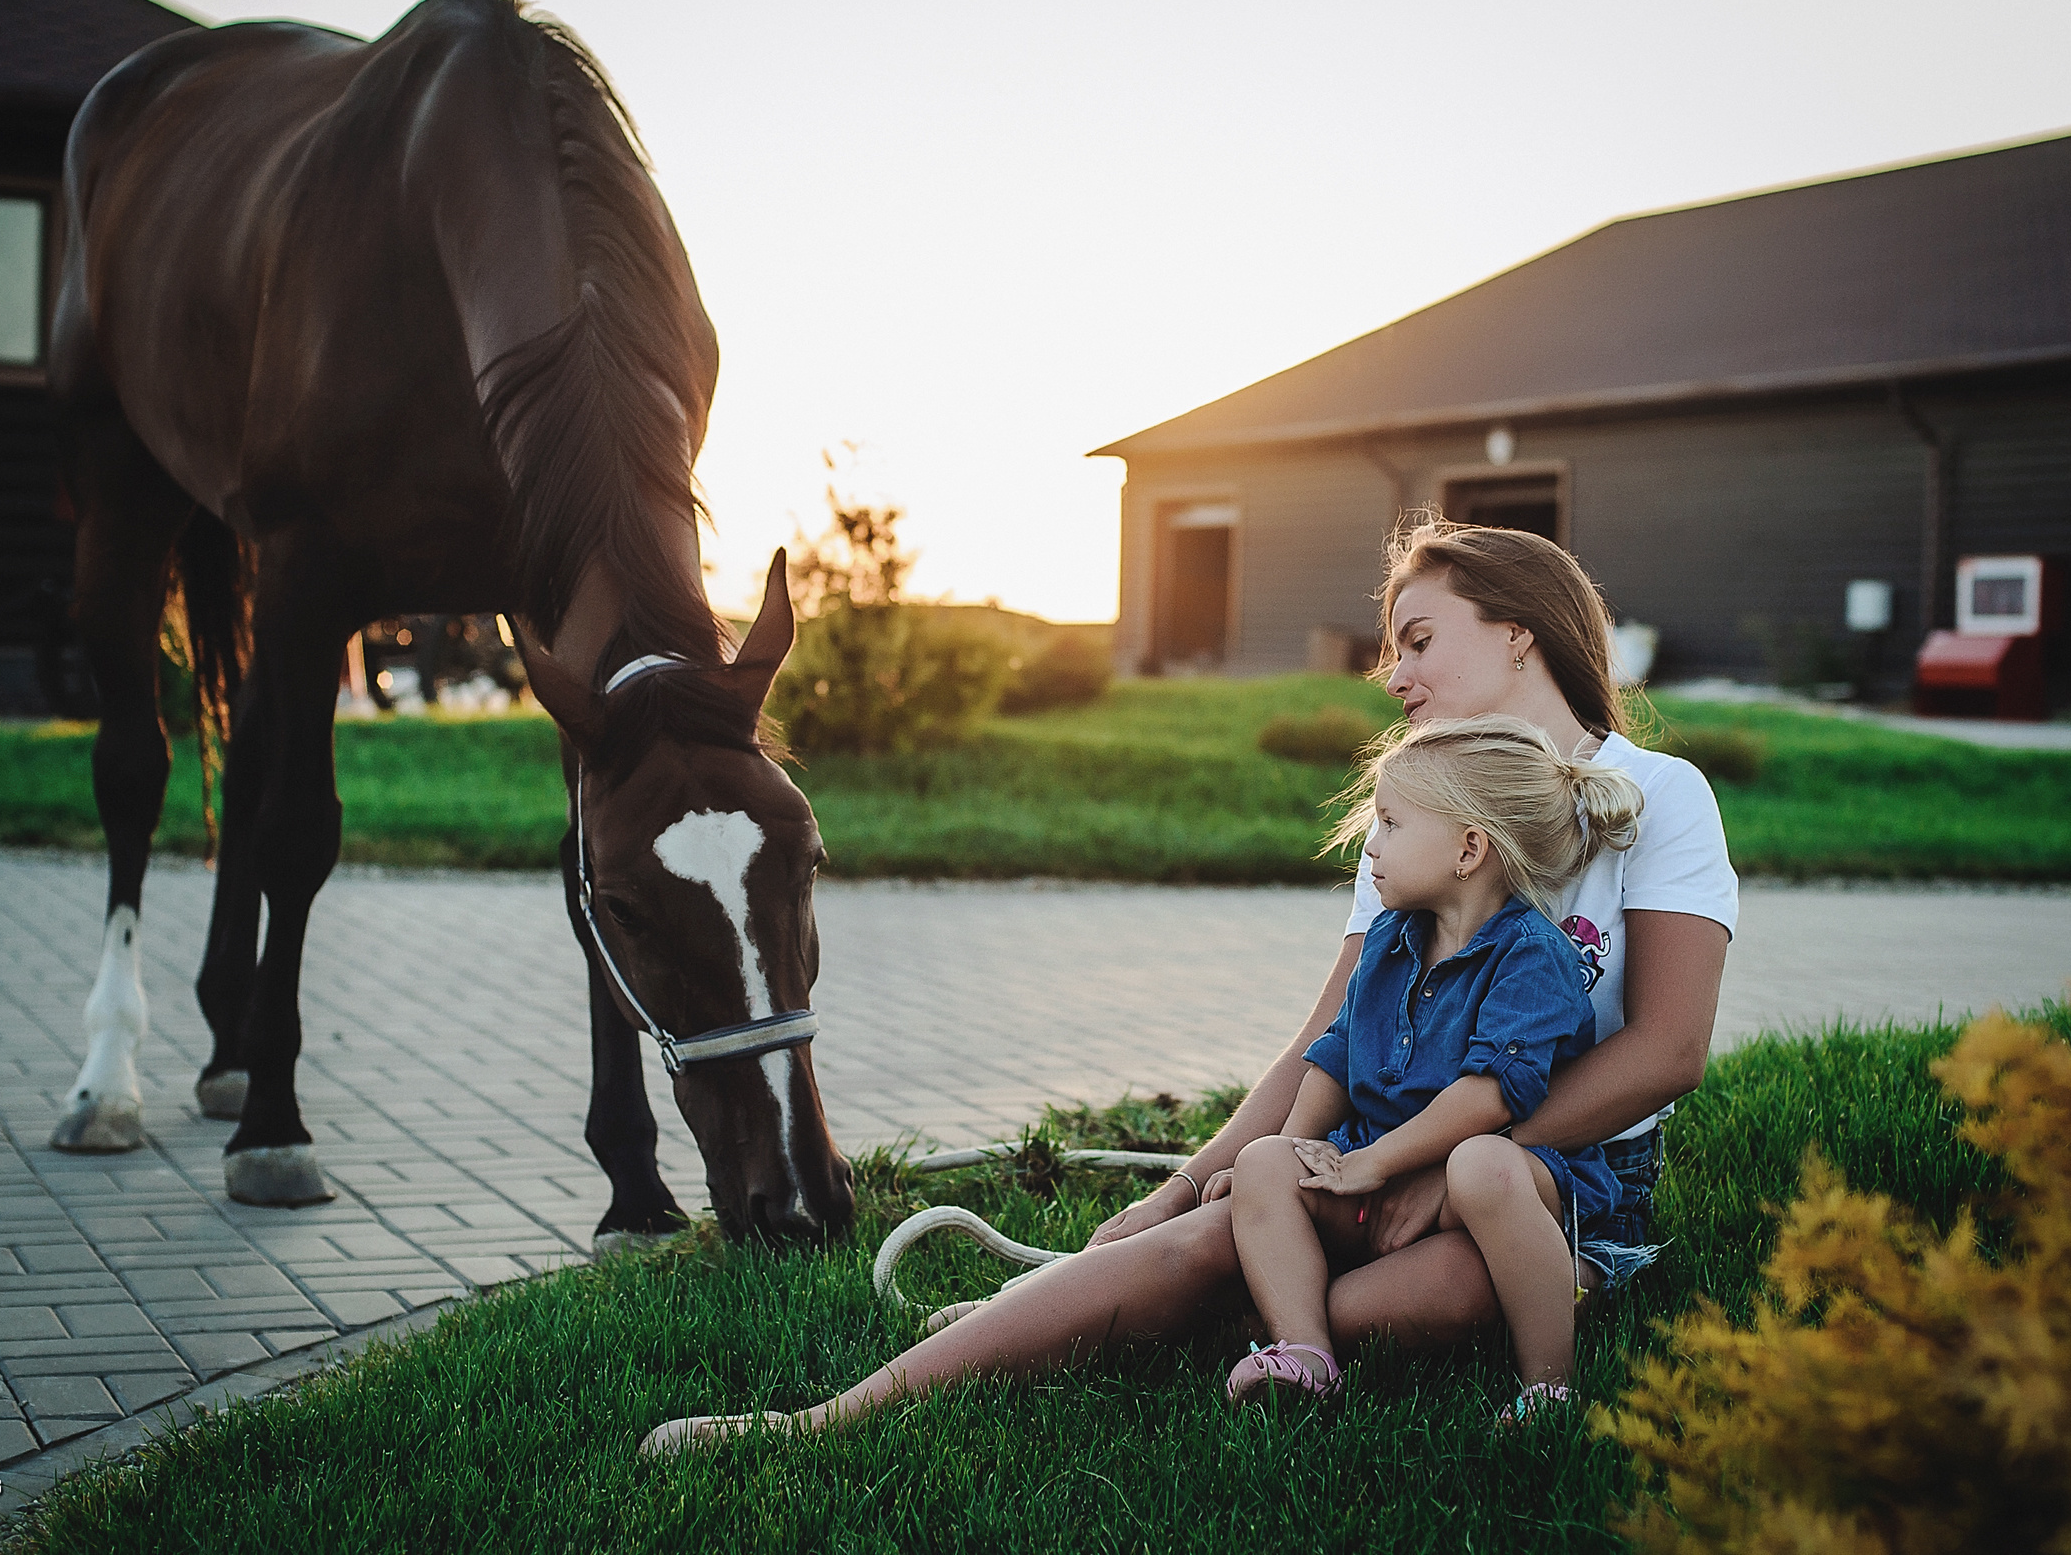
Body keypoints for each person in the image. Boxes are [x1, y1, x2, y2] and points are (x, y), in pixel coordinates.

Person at [640, 518, 1735, 1455]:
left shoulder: (1656, 794)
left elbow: (1666, 1049)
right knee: (1207, 1230)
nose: (1394, 677)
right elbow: (1329, 1036)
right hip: (1383, 1154)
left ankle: (1180, 1314)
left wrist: (1451, 1163)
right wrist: (1178, 1187)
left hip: (1545, 1186)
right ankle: (828, 1415)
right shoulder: (1417, 816)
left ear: (1516, 631)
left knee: (1399, 1290)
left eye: (1418, 640)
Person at [1225, 715, 1642, 1419]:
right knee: (1265, 1161)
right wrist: (1297, 1146)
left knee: (1483, 1163)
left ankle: (1549, 1382)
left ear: (1468, 848)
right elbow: (1336, 1051)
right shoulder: (1391, 938)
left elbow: (1491, 1096)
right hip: (1378, 1168)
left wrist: (1379, 1161)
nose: (1372, 844)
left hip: (1490, 1187)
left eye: (1390, 823)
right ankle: (1305, 1353)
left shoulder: (1531, 955)